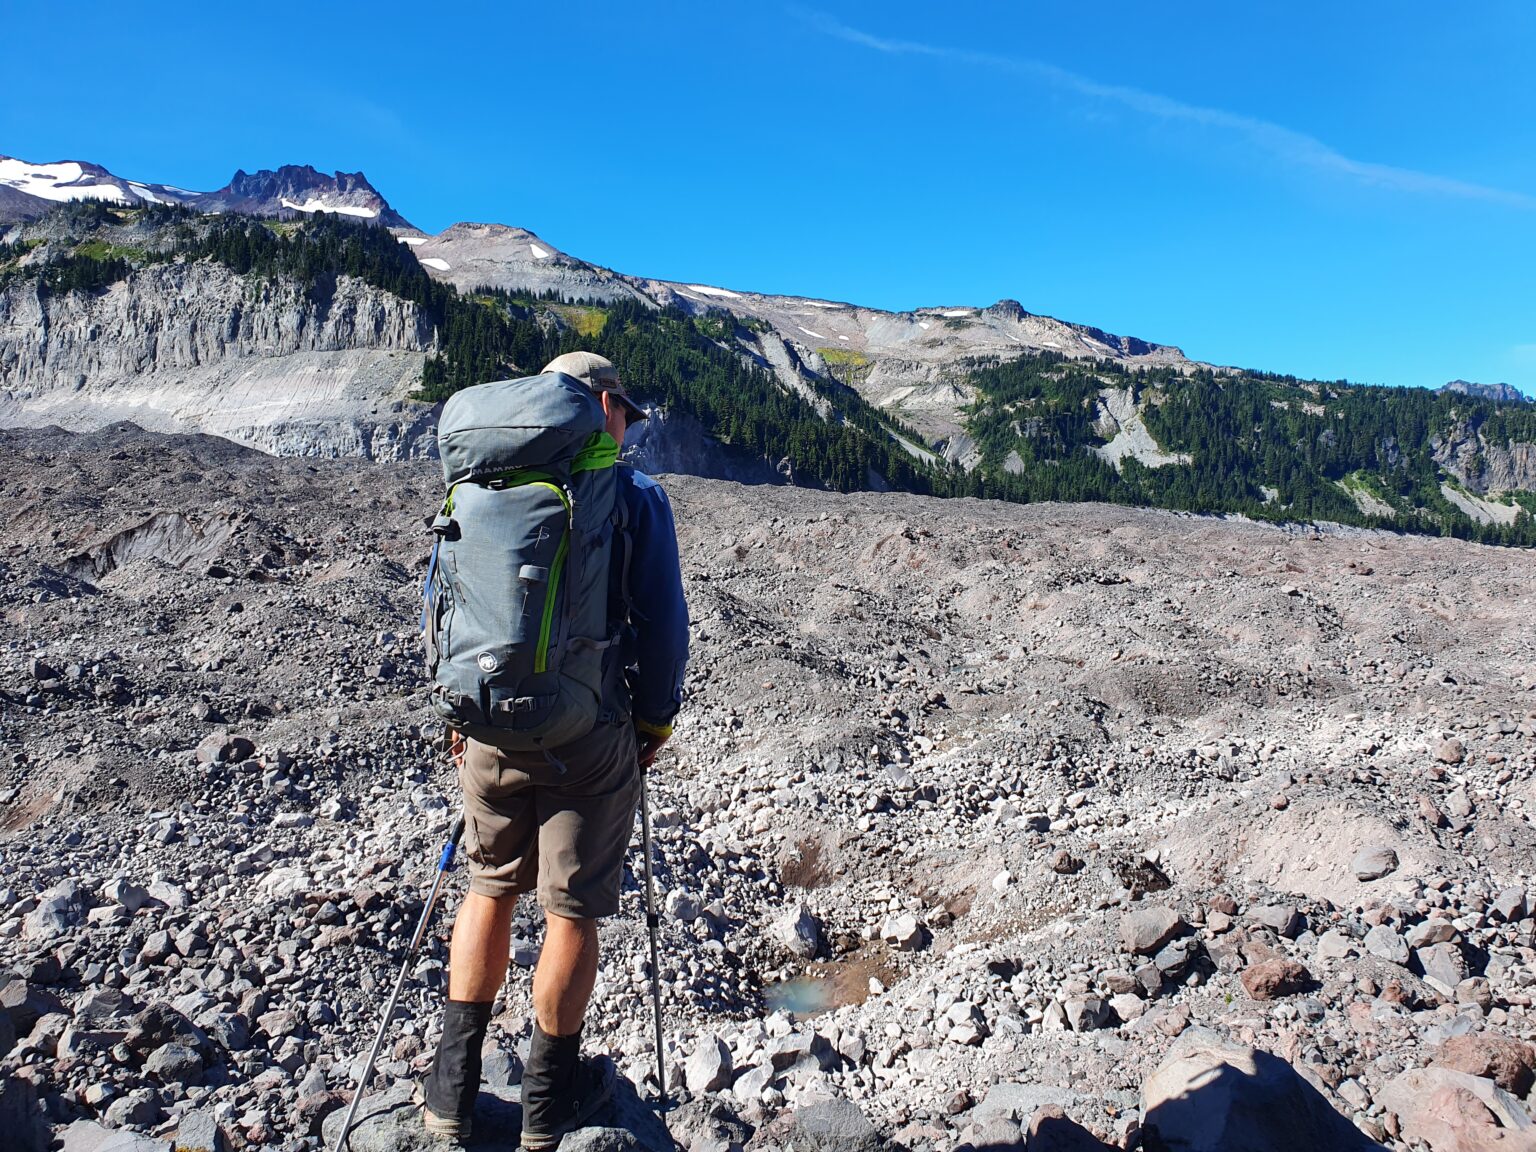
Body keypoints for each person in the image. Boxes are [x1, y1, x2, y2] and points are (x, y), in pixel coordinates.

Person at [420, 352, 689, 1149]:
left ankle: (450, 1095)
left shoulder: (477, 485)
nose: (628, 429)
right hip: (586, 733)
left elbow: (442, 600)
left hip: (485, 726)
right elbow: (664, 626)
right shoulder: (634, 497)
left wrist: (461, 712)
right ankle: (548, 1104)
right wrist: (653, 725)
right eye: (625, 415)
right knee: (570, 908)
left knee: (488, 887)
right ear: (604, 403)